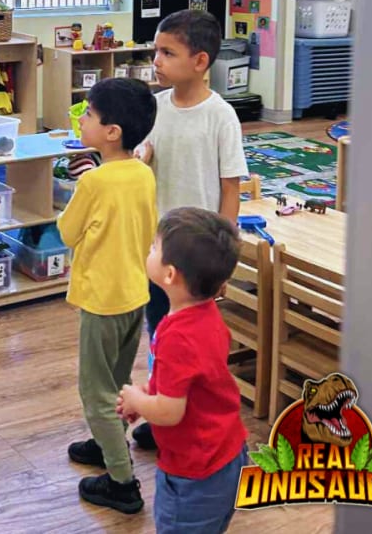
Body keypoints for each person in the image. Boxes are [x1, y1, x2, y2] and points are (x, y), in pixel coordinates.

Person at [133, 9, 248, 450]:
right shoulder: (155, 108)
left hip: (198, 254)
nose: (156, 61)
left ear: (200, 61)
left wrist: (225, 257)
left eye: (167, 53)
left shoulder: (220, 115)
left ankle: (187, 415)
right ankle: (161, 410)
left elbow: (230, 188)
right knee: (159, 333)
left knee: (192, 340)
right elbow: (143, 161)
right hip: (160, 250)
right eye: (156, 51)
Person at [56, 78, 158, 515]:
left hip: (102, 301)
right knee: (116, 382)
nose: (81, 120)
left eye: (89, 115)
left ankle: (122, 482)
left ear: (111, 132)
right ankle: (106, 442)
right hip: (135, 295)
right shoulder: (142, 172)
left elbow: (66, 232)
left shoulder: (95, 182)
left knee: (96, 392)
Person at [116, 208, 249, 534]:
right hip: (226, 453)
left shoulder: (178, 336)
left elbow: (170, 412)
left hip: (195, 473)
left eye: (154, 247)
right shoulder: (205, 315)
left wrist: (137, 398)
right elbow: (193, 380)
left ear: (170, 274)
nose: (149, 250)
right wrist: (151, 394)